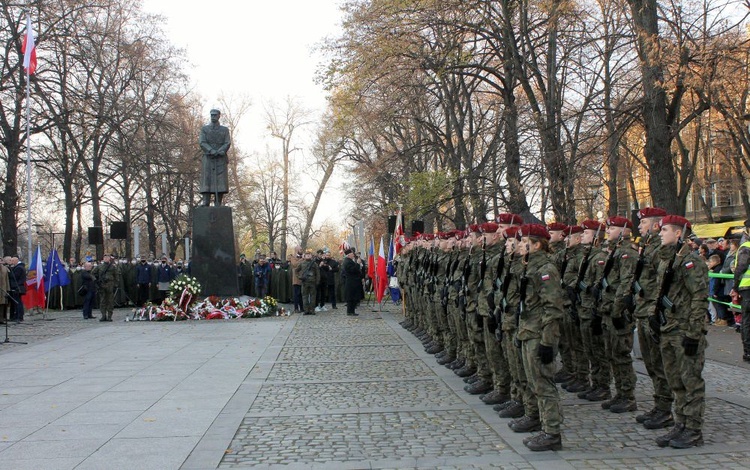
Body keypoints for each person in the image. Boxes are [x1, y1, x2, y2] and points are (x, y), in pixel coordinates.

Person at [654, 214, 708, 449]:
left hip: (685, 331)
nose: (660, 234)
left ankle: (694, 430)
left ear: (678, 233)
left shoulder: (691, 262)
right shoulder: (668, 260)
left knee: (690, 381)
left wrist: (694, 334)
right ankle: (681, 424)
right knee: (675, 381)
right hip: (670, 328)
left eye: (664, 230)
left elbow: (699, 297)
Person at [512, 224, 564, 452]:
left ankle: (552, 432)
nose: (519, 245)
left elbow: (552, 308)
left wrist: (547, 342)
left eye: (524, 242)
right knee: (533, 382)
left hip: (539, 334)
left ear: (536, 244)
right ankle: (539, 421)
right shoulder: (529, 266)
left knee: (544, 384)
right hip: (528, 330)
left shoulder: (545, 269)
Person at [198, 109, 231, 206]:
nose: (213, 116)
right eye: (212, 115)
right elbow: (202, 142)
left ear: (219, 116)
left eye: (215, 115)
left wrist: (221, 151)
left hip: (220, 157)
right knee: (207, 179)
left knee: (220, 180)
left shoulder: (224, 130)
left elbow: (227, 142)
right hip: (208, 157)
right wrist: (211, 150)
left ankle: (218, 202)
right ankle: (206, 202)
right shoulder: (205, 129)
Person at [731, 218, 750, 363]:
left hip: (747, 288)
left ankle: (748, 352)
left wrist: (735, 287)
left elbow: (741, 268)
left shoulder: (746, 247)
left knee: (747, 321)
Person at [93, 254, 118, 322]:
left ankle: (109, 316)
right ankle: (103, 315)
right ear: (103, 258)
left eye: (107, 257)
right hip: (102, 285)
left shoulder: (113, 267)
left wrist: (115, 285)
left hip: (110, 285)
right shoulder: (99, 266)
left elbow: (116, 276)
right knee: (102, 301)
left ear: (109, 259)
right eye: (105, 257)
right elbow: (92, 273)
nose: (106, 258)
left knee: (110, 301)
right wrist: (96, 280)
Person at [295, 249, 319, 315]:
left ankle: (312, 310)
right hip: (304, 282)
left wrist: (317, 281)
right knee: (304, 296)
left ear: (311, 256)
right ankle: (306, 310)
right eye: (307, 255)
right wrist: (299, 277)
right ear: (304, 256)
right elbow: (296, 270)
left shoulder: (314, 264)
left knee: (313, 297)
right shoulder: (301, 263)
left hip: (312, 282)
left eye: (309, 255)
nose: (308, 256)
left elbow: (317, 273)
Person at [342, 248, 362, 316]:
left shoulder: (349, 261)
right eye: (352, 254)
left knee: (353, 296)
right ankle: (350, 311)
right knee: (351, 297)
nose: (353, 255)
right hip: (351, 282)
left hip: (353, 281)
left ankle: (352, 311)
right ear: (348, 255)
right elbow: (352, 270)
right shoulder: (347, 262)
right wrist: (358, 264)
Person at [8, 257, 26, 322]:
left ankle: (19, 317)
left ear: (16, 261)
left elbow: (14, 277)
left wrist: (9, 271)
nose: (11, 262)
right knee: (17, 302)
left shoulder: (19, 268)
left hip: (17, 287)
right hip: (17, 287)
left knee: (18, 302)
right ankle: (16, 316)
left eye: (12, 261)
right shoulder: (19, 267)